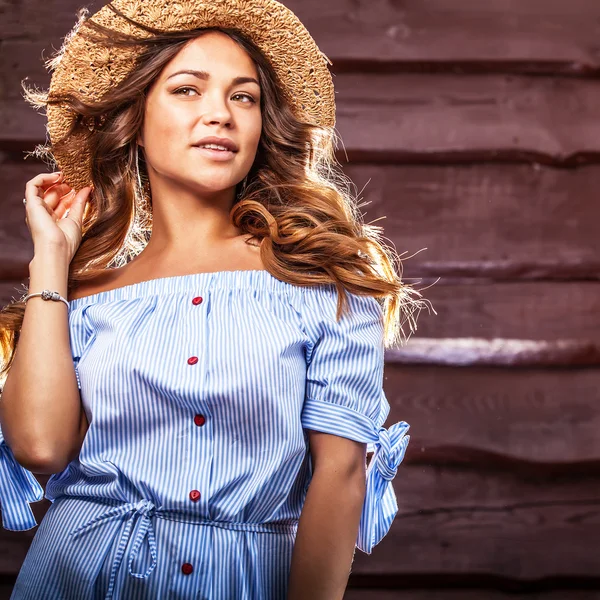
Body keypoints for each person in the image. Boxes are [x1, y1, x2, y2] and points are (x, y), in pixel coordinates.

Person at [0, 0, 432, 598]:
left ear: (262, 124)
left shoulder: (322, 280)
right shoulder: (86, 297)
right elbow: (41, 448)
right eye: (187, 90)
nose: (220, 115)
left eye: (244, 96)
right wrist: (51, 257)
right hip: (75, 573)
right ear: (136, 120)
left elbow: (341, 474)